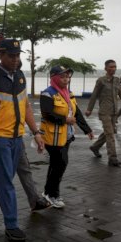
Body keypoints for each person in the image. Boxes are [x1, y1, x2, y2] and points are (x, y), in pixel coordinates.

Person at [0, 39, 45, 242]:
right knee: (6, 180)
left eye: (18, 56)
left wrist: (36, 132)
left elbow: (26, 108)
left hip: (16, 136)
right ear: (1, 55)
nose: (16, 60)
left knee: (6, 173)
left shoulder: (20, 76)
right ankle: (11, 224)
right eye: (11, 56)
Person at [40, 66, 94, 208]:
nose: (66, 79)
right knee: (61, 164)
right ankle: (53, 194)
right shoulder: (47, 93)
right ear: (54, 78)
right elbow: (47, 114)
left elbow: (76, 113)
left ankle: (48, 192)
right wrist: (65, 120)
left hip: (66, 136)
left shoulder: (68, 93)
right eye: (63, 77)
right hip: (53, 137)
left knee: (56, 165)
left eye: (67, 76)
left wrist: (86, 129)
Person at [85, 59, 121, 167]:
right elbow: (94, 95)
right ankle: (112, 158)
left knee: (109, 132)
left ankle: (95, 147)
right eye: (111, 67)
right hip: (104, 112)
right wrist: (89, 109)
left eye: (115, 67)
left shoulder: (117, 80)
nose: (113, 69)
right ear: (105, 68)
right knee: (110, 134)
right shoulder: (101, 81)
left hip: (114, 112)